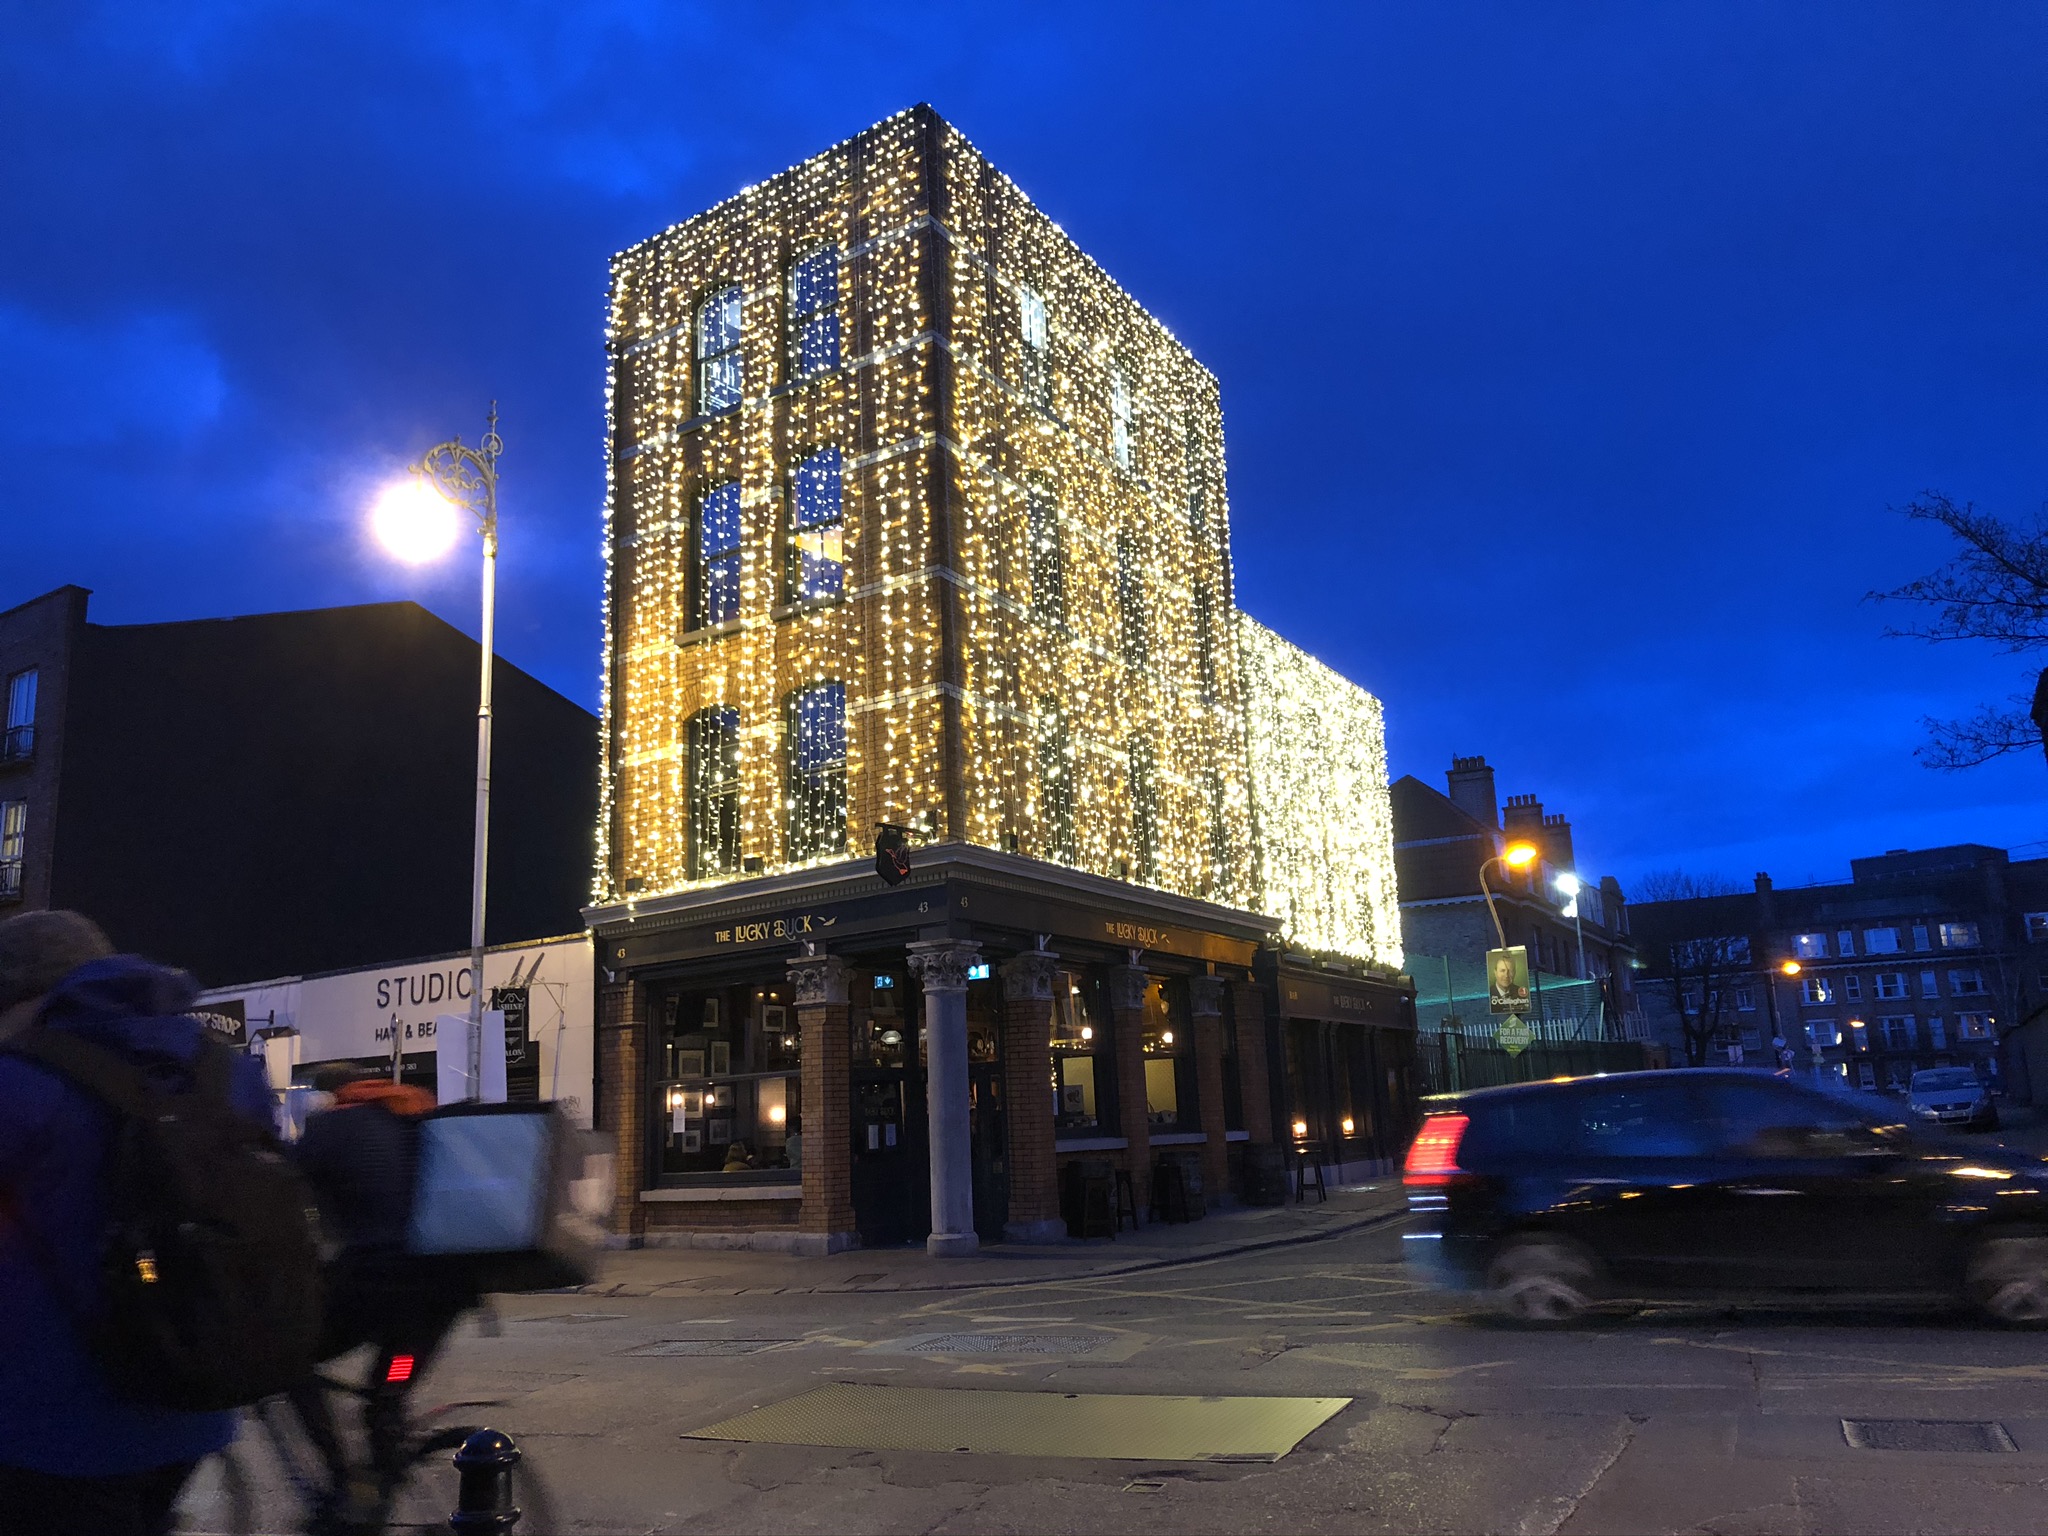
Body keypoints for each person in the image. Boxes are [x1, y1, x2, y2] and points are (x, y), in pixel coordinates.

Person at [0, 910, 276, 1536]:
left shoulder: (20, 1080)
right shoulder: (225, 1070)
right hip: (193, 1395)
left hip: (51, 1424)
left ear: (22, 998)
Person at [289, 1065, 470, 1524]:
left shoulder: (330, 1128)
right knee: (388, 1392)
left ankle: (346, 1487)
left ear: (331, 1095)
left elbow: (279, 1200)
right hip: (443, 1294)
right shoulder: (413, 1114)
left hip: (380, 1286)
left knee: (289, 1362)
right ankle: (376, 1501)